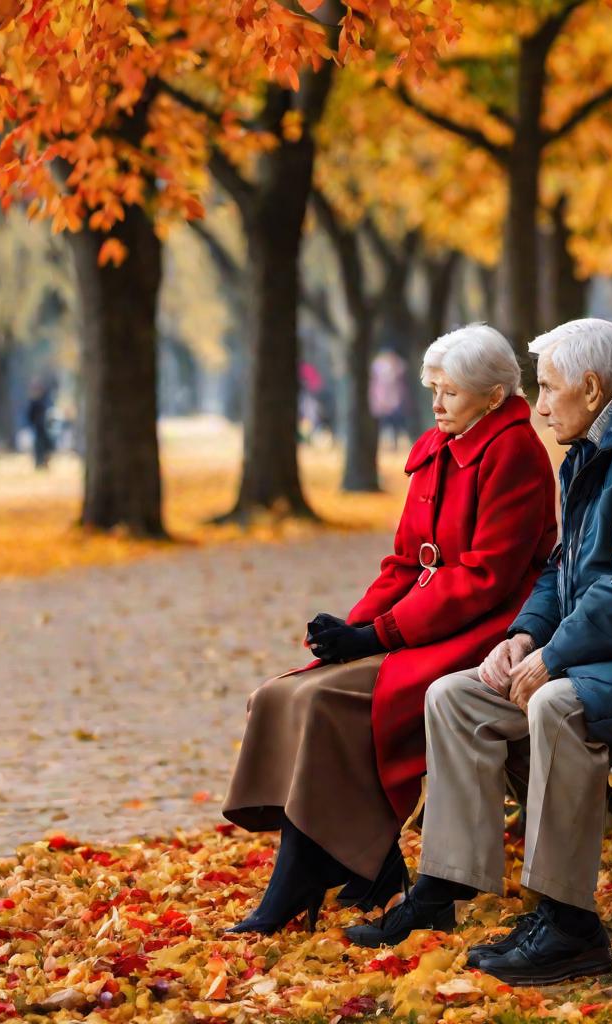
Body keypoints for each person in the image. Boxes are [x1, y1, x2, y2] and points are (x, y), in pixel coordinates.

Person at [346, 318, 612, 987]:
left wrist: (555, 657)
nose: (538, 406)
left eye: (549, 389)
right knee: (455, 697)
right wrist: (525, 636)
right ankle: (442, 890)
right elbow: (563, 569)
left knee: (559, 704)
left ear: (592, 388)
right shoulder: (602, 443)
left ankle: (569, 924)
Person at [220, 323, 558, 935]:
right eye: (433, 389)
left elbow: (485, 577)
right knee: (285, 691)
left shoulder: (514, 452)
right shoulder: (440, 443)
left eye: (449, 393)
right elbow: (406, 561)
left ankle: (313, 870)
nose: (434, 404)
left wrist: (379, 638)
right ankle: (358, 863)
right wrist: (350, 631)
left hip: (488, 630)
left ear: (494, 395)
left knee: (330, 702)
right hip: (427, 620)